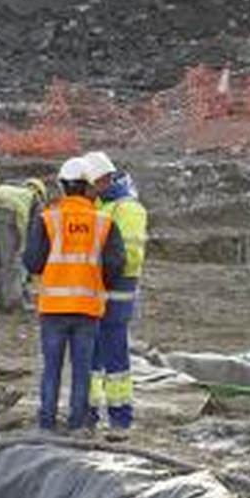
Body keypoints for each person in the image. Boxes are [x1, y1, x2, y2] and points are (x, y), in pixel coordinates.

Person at [23, 157, 127, 434]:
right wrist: (97, 281)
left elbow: (32, 261)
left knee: (52, 369)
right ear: (89, 187)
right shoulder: (103, 222)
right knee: (82, 372)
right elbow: (117, 264)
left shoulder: (47, 219)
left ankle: (46, 423)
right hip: (87, 308)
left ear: (62, 186)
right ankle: (77, 424)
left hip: (54, 308)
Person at [80, 151, 147, 437]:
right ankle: (88, 413)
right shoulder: (102, 205)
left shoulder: (127, 207)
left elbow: (128, 256)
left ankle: (120, 418)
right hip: (97, 287)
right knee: (91, 354)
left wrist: (101, 270)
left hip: (116, 289)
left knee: (114, 354)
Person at [0, 177, 48, 310]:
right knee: (10, 261)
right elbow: (34, 232)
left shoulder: (12, 190)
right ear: (40, 192)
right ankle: (10, 301)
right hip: (8, 214)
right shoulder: (35, 197)